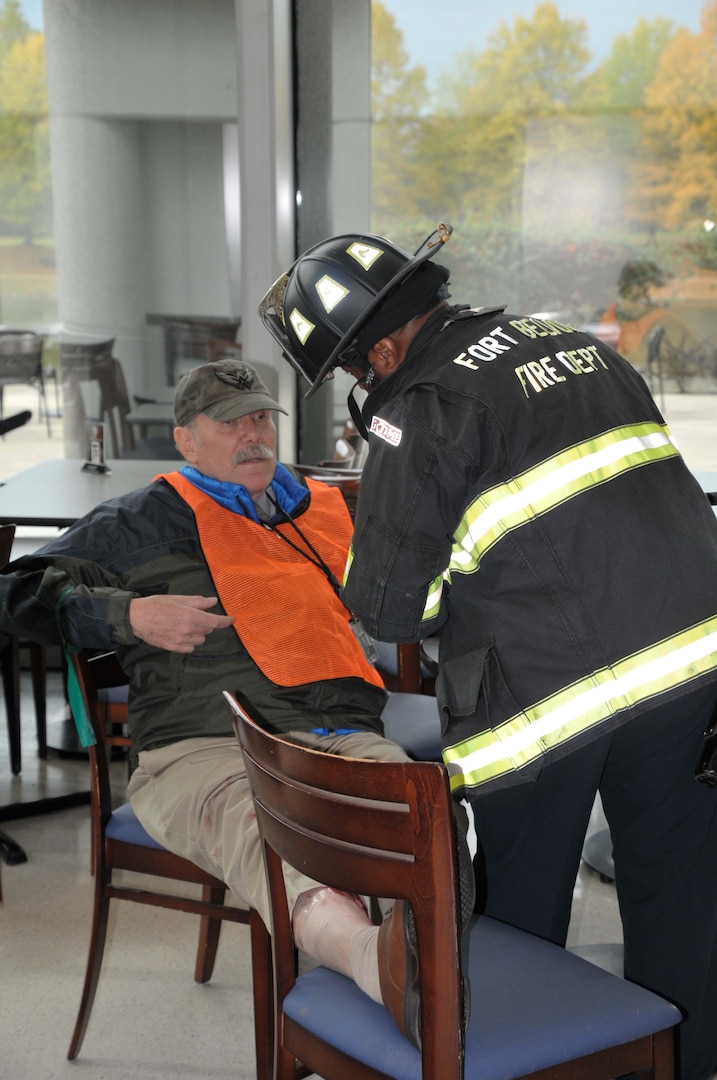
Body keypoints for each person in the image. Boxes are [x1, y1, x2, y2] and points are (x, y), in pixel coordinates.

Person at [260, 224, 717, 1080]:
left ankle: (515, 1060)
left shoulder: (418, 404)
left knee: (514, 904)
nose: (365, 384)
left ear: (385, 345)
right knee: (676, 887)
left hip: (547, 695)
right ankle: (681, 1064)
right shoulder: (574, 345)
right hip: (691, 660)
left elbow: (390, 607)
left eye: (358, 369)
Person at [0, 358, 470, 1049]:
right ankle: (381, 966)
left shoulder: (319, 508)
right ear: (185, 441)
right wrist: (130, 617)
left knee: (420, 817)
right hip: (205, 744)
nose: (251, 435)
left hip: (338, 730)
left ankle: (413, 971)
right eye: (229, 424)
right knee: (271, 829)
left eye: (259, 419)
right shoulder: (135, 523)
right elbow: (13, 594)